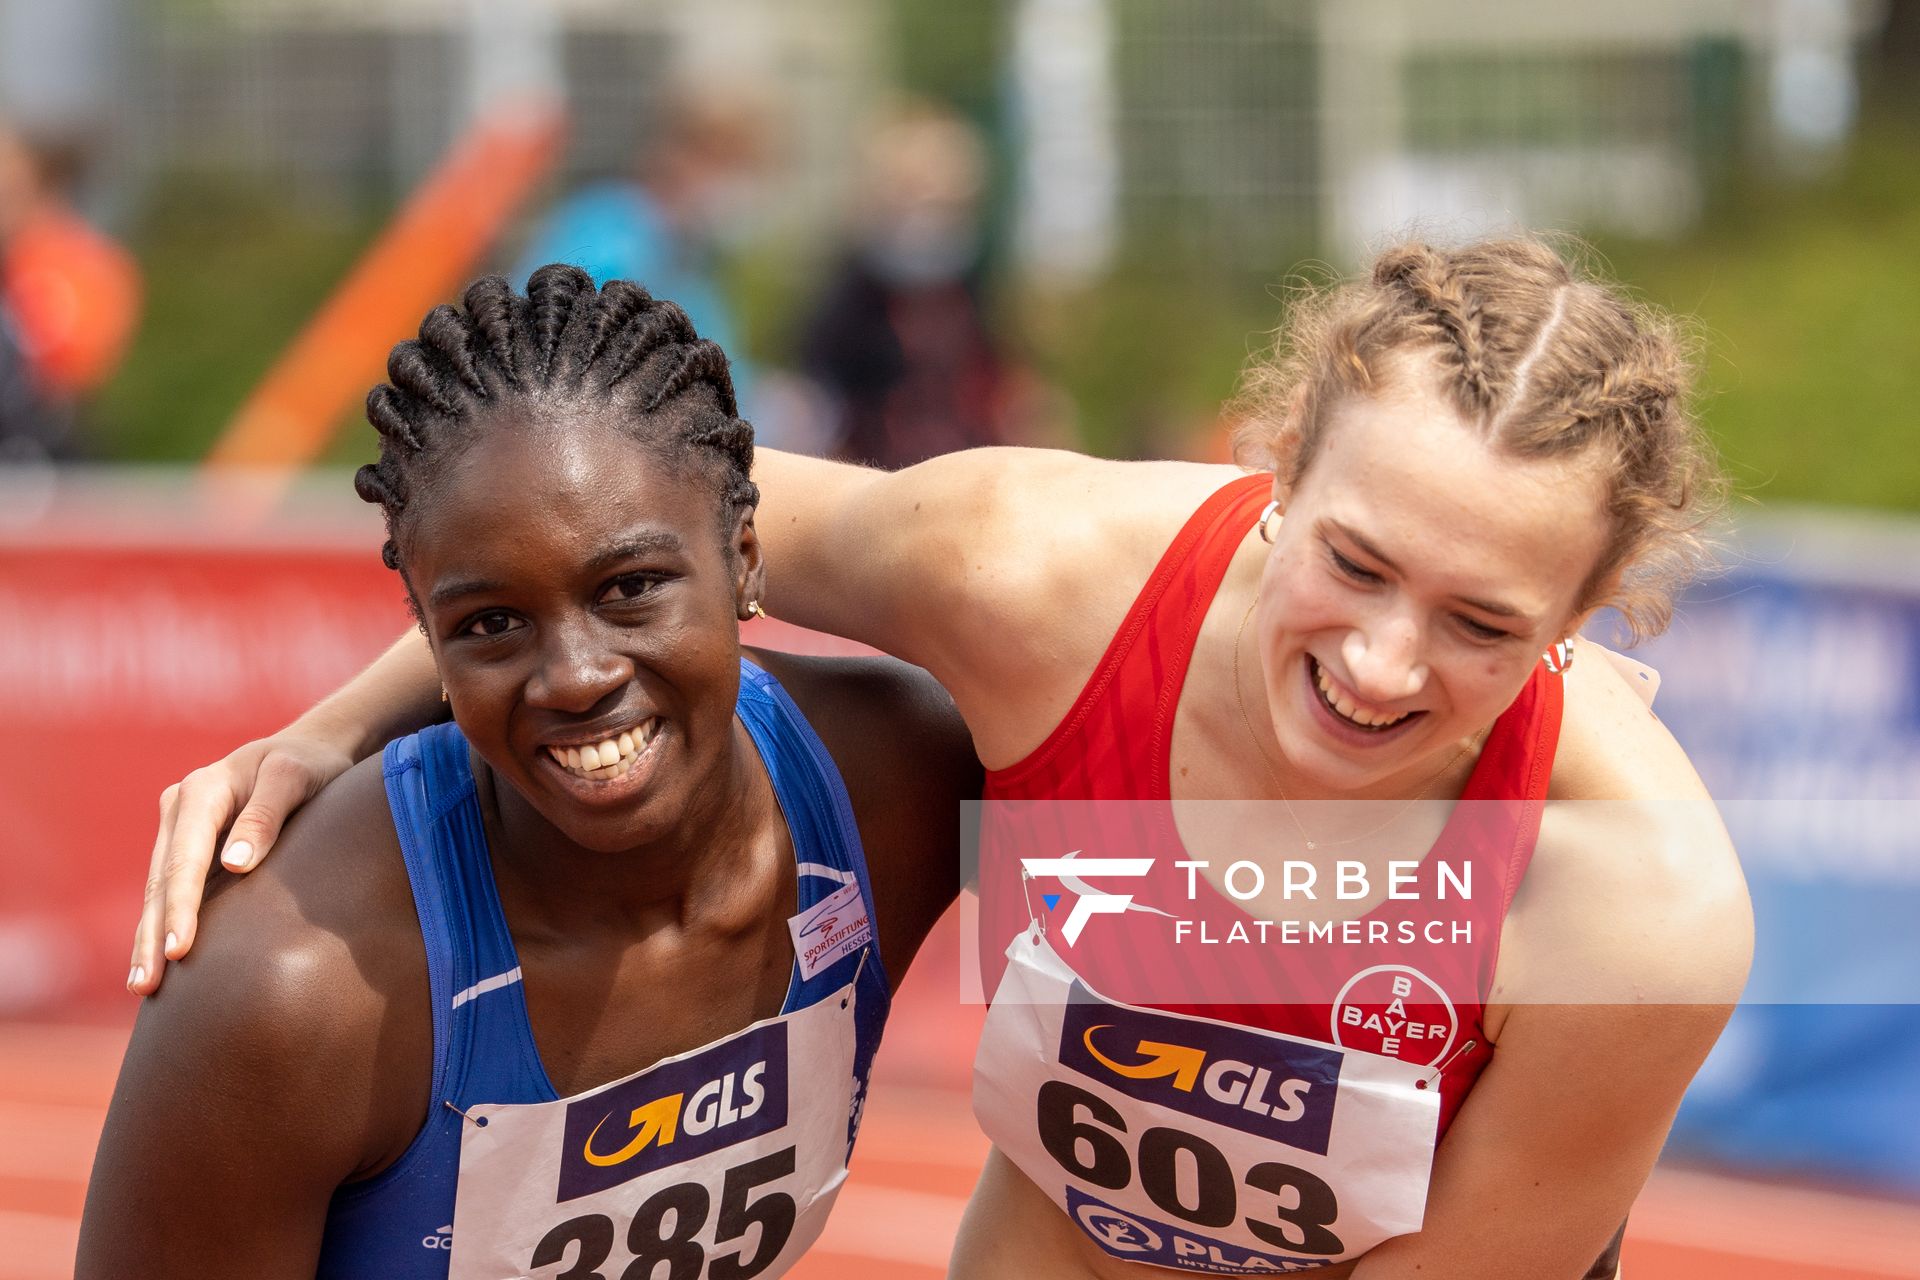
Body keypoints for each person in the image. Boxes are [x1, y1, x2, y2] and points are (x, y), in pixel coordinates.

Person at [131, 238, 1750, 1277]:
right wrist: (329, 726)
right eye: (1355, 562)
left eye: (1482, 620)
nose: (1384, 665)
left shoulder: (1637, 907)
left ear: (1593, 616)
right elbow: (622, 534)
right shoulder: (1022, 575)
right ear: (1269, 473)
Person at [82, 266, 977, 1278]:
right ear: (426, 632)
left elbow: (1134, 1028)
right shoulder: (289, 993)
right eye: (492, 623)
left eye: (632, 587)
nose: (578, 676)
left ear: (747, 555)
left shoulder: (907, 785)